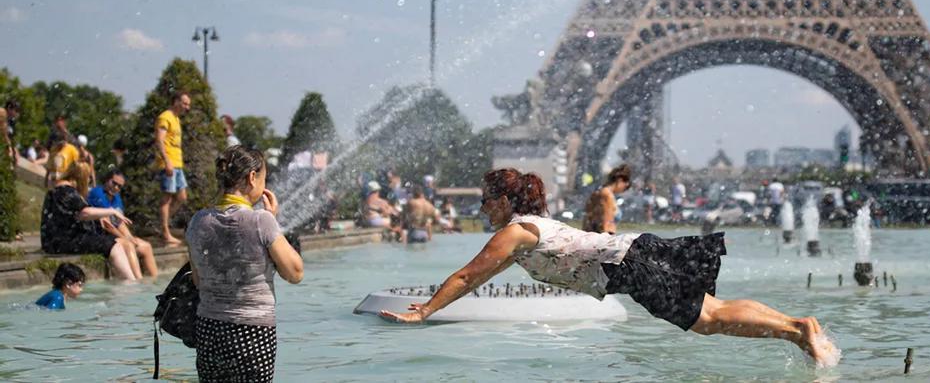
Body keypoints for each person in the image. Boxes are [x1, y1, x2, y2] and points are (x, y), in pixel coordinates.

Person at [379, 169, 837, 367]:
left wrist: (424, 312)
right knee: (714, 309)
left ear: (503, 200)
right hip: (633, 251)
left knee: (709, 321)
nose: (481, 208)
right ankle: (799, 326)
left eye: (485, 200)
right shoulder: (531, 225)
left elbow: (467, 276)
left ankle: (798, 331)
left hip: (629, 264)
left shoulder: (515, 232)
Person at [187, 145, 303, 383]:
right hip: (251, 331)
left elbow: (197, 280)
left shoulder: (198, 221)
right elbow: (295, 273)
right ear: (252, 177)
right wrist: (273, 220)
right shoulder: (261, 221)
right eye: (264, 178)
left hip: (209, 330)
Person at [41, 162, 138, 281]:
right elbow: (84, 213)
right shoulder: (65, 190)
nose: (89, 182)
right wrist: (111, 211)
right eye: (88, 179)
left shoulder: (60, 190)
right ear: (81, 177)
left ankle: (135, 280)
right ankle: (130, 282)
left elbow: (76, 215)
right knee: (113, 245)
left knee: (118, 242)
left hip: (58, 241)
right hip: (61, 242)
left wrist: (99, 217)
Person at [87, 169, 158, 277]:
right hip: (102, 238)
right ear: (107, 180)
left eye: (119, 186)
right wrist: (125, 239)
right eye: (114, 183)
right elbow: (107, 224)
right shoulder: (97, 193)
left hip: (116, 237)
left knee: (145, 246)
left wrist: (130, 237)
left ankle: (155, 283)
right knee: (128, 245)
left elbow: (120, 222)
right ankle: (138, 280)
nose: (116, 188)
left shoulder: (116, 198)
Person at [155, 91, 191, 245]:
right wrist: (167, 161)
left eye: (188, 104)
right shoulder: (165, 117)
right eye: (184, 103)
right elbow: (159, 140)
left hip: (178, 164)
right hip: (168, 163)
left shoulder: (176, 119)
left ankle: (163, 225)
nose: (187, 107)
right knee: (167, 198)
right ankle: (165, 233)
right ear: (175, 101)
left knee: (182, 197)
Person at [583, 164, 631, 234]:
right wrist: (611, 242)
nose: (624, 190)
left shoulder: (597, 192)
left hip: (591, 237)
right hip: (602, 239)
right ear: (619, 180)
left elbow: (588, 220)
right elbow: (606, 225)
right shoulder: (607, 195)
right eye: (626, 187)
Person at [1, 99, 18, 166]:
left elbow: (11, 138)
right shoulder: (2, 112)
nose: (16, 113)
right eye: (15, 110)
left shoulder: (11, 122)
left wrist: (15, 152)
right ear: (9, 108)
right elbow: (4, 133)